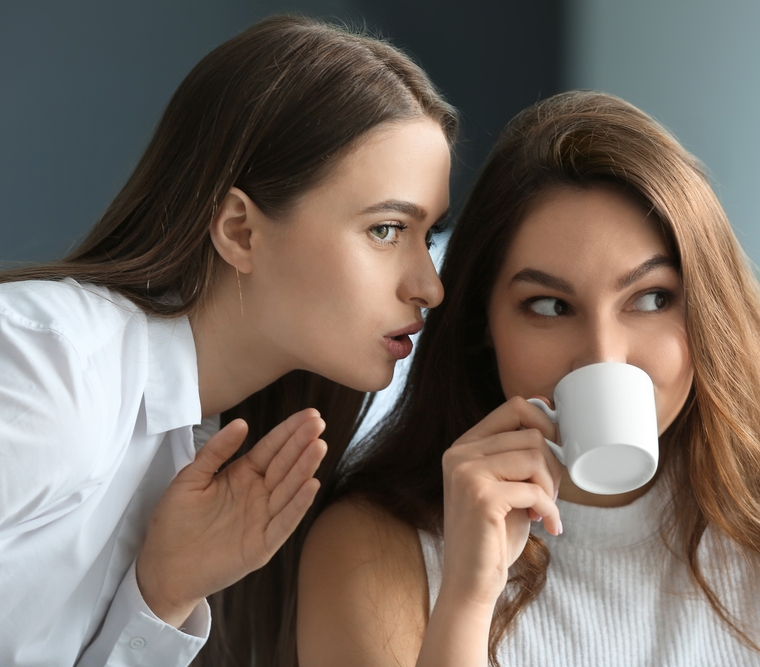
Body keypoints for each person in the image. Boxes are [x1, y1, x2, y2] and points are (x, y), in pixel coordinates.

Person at [297, 91, 760, 667]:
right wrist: (467, 593)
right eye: (548, 306)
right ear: (482, 323)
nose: (603, 356)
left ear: (707, 310)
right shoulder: (371, 549)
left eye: (650, 299)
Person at [0, 16, 456, 667]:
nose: (428, 286)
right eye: (386, 229)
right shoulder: (48, 371)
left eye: (427, 234)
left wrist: (162, 594)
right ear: (241, 230)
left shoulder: (210, 456)